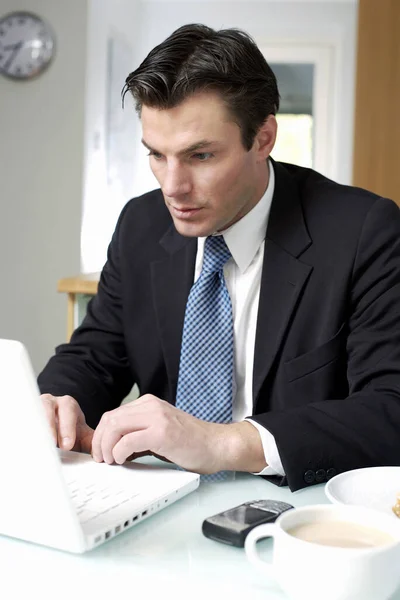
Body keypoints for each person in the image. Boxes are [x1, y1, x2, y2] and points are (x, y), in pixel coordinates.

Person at [38, 23, 400, 492]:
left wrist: (223, 444)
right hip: (162, 499)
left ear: (264, 137)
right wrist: (55, 401)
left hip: (297, 512)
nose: (172, 187)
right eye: (157, 155)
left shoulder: (363, 230)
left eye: (201, 155)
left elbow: (390, 408)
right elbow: (94, 354)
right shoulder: (140, 225)